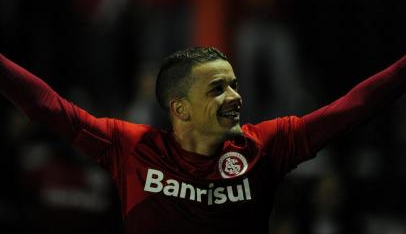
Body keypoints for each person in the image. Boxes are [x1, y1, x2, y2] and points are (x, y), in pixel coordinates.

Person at [0, 47, 405, 234]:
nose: (236, 97)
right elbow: (45, 105)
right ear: (180, 109)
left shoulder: (265, 145)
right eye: (217, 89)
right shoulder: (130, 147)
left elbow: (355, 107)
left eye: (234, 84)